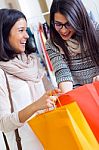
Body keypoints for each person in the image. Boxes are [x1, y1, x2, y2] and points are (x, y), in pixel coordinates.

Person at [0, 8, 60, 150]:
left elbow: (49, 93)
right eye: (21, 30)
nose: (27, 36)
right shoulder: (2, 72)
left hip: (53, 139)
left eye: (26, 30)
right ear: (4, 34)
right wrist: (36, 106)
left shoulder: (33, 62)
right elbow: (3, 123)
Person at [45, 0, 99, 93]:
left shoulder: (97, 32)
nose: (63, 30)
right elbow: (63, 74)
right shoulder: (52, 45)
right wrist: (68, 96)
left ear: (78, 20)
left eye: (68, 24)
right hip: (81, 97)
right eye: (58, 24)